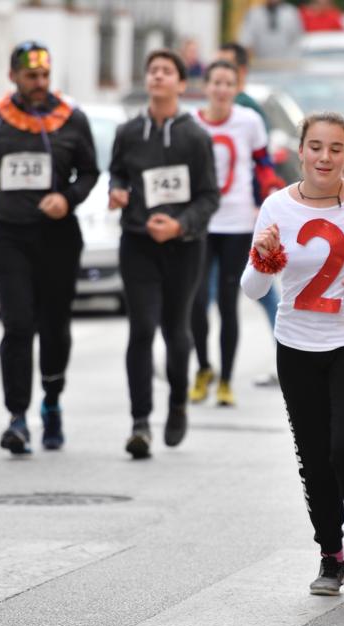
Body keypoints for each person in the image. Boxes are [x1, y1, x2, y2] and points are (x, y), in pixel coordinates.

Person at [241, 112, 344, 596]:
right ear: (300, 152)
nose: (325, 157)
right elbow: (252, 289)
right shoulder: (275, 207)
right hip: (297, 346)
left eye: (335, 148)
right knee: (313, 456)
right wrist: (263, 257)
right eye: (315, 147)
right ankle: (330, 555)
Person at [0, 41, 99, 455]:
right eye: (30, 76)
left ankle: (51, 401)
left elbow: (90, 172)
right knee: (18, 325)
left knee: (54, 327)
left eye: (44, 76)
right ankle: (17, 417)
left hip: (57, 239)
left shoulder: (72, 119)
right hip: (9, 236)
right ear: (12, 75)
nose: (38, 84)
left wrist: (67, 198)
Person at [109, 49, 219, 457]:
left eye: (166, 71)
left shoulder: (195, 136)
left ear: (180, 82)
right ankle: (140, 422)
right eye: (152, 70)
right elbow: (118, 171)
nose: (157, 76)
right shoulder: (129, 132)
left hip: (183, 247)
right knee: (141, 328)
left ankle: (177, 403)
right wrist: (117, 191)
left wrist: (179, 224)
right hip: (137, 241)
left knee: (176, 329)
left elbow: (210, 197)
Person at [188, 60, 282, 407]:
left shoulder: (249, 121)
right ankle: (202, 368)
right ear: (206, 85)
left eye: (229, 83)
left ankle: (226, 380)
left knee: (228, 302)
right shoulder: (192, 124)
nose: (222, 89)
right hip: (199, 223)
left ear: (236, 86)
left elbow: (264, 164)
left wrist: (267, 195)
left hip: (238, 222)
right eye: (216, 82)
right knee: (197, 302)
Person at [216, 42, 283, 387]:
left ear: (239, 75)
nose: (220, 80)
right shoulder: (205, 114)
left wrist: (262, 204)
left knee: (260, 290)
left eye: (227, 71)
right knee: (204, 291)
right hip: (209, 223)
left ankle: (284, 352)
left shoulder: (249, 113)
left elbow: (262, 164)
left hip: (242, 220)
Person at [237, 0, 304, 61]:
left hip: (289, 66)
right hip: (263, 66)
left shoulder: (292, 13)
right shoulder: (254, 14)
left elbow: (299, 40)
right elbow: (245, 42)